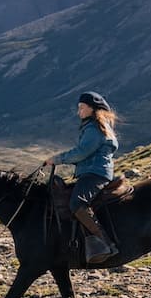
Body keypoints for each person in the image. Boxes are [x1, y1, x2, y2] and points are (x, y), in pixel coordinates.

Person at [44, 91, 120, 264]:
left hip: (95, 173)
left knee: (76, 203)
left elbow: (82, 152)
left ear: (93, 109)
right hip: (94, 172)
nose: (79, 112)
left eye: (82, 108)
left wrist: (57, 159)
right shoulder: (96, 126)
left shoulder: (94, 128)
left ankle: (105, 244)